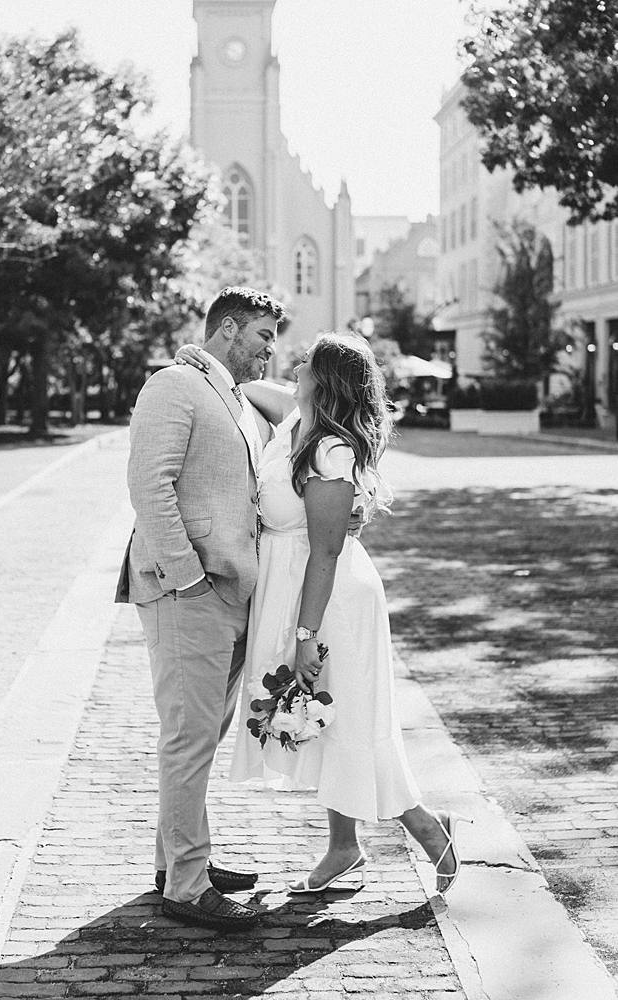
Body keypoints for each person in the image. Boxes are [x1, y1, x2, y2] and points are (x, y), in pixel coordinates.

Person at [175, 332, 471, 896]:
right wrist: (200, 357)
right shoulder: (296, 419)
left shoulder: (331, 450)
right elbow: (245, 384)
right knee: (322, 719)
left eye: (308, 359)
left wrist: (306, 634)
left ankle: (429, 830)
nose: (296, 362)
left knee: (352, 719)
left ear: (326, 378)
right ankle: (344, 846)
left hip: (329, 597)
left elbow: (328, 551)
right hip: (292, 588)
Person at [115, 286, 285, 930]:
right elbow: (147, 486)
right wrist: (187, 579)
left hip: (230, 589)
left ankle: (177, 862)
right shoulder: (173, 386)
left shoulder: (236, 398)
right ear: (230, 328)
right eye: (264, 336)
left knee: (203, 734)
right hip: (188, 589)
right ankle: (186, 886)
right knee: (189, 736)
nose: (272, 348)